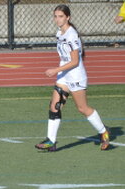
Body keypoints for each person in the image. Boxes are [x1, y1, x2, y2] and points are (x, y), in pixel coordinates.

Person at [35, 4, 110, 152]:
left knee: (82, 108)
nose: (57, 19)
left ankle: (103, 131)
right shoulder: (59, 33)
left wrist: (55, 70)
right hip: (64, 75)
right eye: (55, 16)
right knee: (55, 106)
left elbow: (75, 61)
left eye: (61, 16)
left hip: (75, 76)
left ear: (68, 17)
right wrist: (59, 71)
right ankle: (51, 141)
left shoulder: (71, 34)